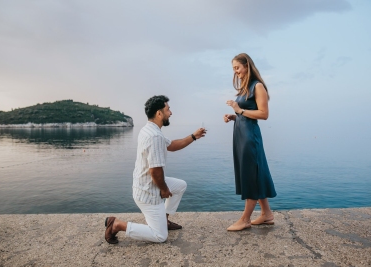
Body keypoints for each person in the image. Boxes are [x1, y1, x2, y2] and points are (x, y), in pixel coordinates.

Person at [104, 95, 206, 244]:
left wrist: (194, 136)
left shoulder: (149, 130)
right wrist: (164, 190)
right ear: (159, 113)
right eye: (168, 109)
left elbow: (172, 145)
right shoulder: (154, 136)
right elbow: (155, 171)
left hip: (145, 184)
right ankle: (117, 225)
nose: (170, 113)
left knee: (180, 186)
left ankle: (163, 220)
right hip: (148, 192)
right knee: (160, 236)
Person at [224, 53, 277, 231]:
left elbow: (264, 114)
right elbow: (245, 113)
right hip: (241, 137)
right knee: (256, 173)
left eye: (237, 67)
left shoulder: (258, 86)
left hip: (249, 138)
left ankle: (245, 219)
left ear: (247, 65)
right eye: (233, 69)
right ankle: (267, 214)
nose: (235, 71)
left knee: (251, 175)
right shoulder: (245, 89)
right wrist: (234, 116)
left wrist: (239, 110)